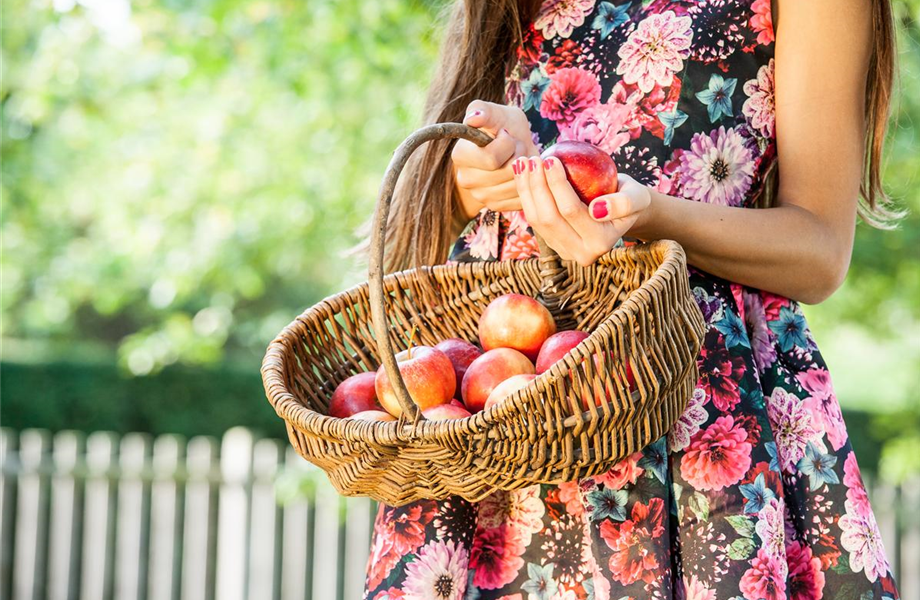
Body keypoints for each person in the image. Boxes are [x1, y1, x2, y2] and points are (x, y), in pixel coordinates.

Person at [362, 0, 902, 598]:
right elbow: (412, 247)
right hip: (500, 423)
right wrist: (467, 183)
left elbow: (820, 252)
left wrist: (650, 217)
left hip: (690, 409)